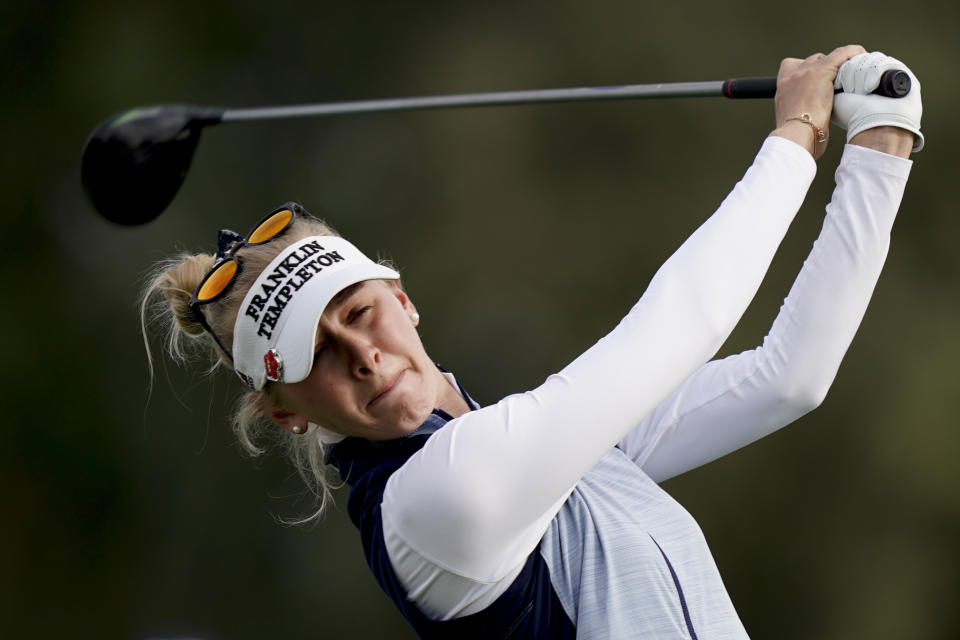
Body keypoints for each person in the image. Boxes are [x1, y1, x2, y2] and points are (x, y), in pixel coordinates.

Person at [141, 46, 922, 638]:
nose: (364, 356)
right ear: (288, 414)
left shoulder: (548, 453)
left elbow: (790, 377)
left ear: (404, 300)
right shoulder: (430, 504)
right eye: (315, 354)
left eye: (359, 311)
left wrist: (881, 146)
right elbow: (687, 317)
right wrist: (798, 134)